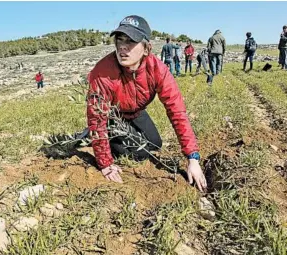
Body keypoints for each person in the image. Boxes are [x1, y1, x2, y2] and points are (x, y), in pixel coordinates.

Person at [86, 15, 207, 192]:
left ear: (146, 48)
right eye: (119, 40)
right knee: (140, 153)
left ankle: (101, 136)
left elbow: (177, 112)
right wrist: (105, 163)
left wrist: (193, 158)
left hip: (136, 112)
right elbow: (97, 117)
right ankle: (97, 138)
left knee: (155, 144)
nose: (122, 47)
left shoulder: (158, 70)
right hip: (113, 115)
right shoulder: (103, 71)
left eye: (131, 41)